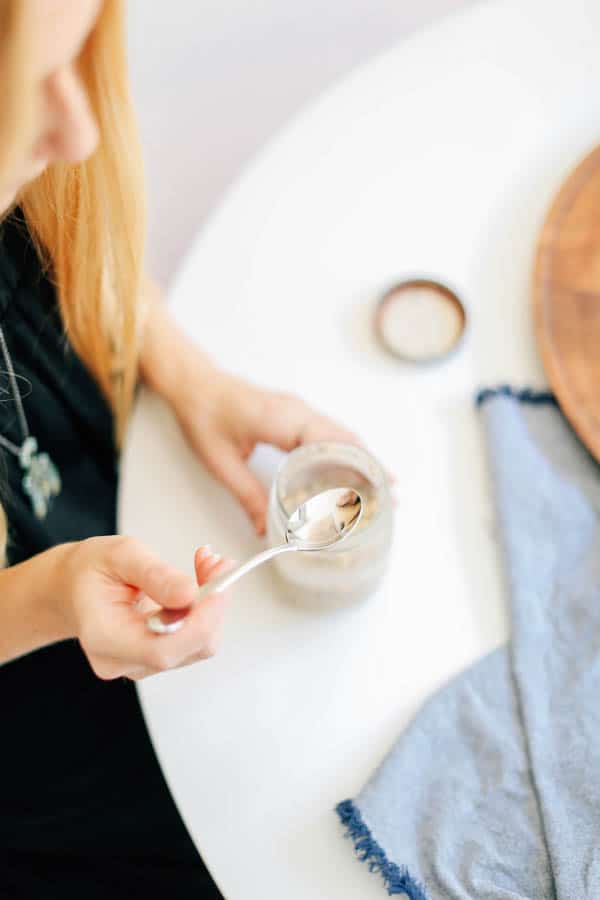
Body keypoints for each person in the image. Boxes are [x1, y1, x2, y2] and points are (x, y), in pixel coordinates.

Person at [0, 1, 364, 897]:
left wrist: (192, 379)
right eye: (14, 96)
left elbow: (76, 242)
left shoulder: (45, 150)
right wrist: (49, 596)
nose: (78, 130)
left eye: (74, 55)